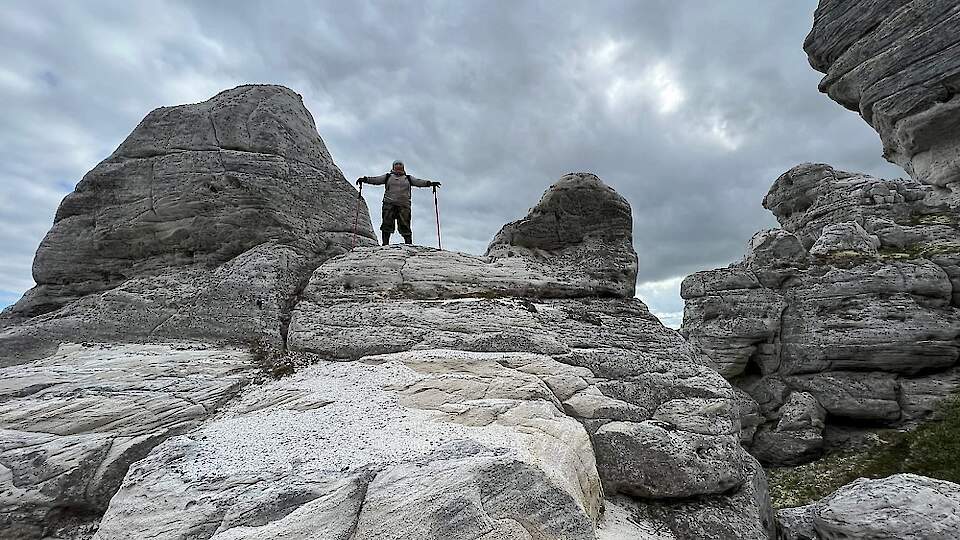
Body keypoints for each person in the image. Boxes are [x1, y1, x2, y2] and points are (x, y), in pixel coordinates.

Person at [357, 160, 441, 245]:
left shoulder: (408, 178)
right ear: (393, 166)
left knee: (405, 225)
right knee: (387, 224)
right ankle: (385, 244)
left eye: (400, 164)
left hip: (403, 205)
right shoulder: (388, 177)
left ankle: (408, 244)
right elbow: (376, 180)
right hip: (389, 204)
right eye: (396, 164)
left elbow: (419, 182)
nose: (398, 166)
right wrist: (365, 179)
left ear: (403, 167)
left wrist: (430, 183)